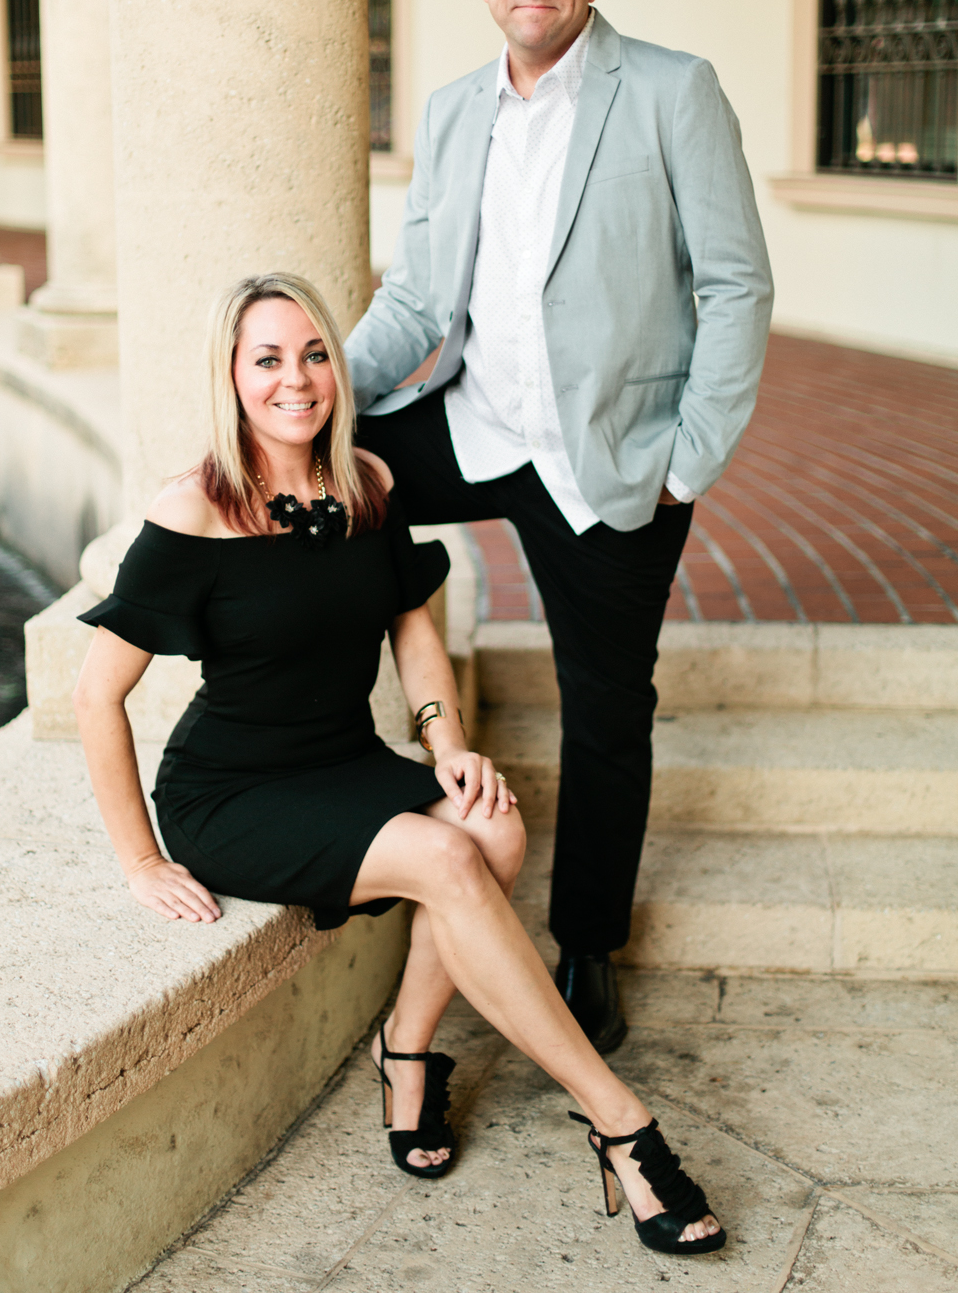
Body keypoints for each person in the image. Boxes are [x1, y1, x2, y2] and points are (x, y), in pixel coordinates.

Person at [73, 272, 726, 1258]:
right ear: (232, 377)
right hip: (234, 791)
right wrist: (139, 860)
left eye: (314, 354)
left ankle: (405, 1049)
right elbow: (95, 694)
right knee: (451, 860)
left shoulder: (368, 486)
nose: (297, 379)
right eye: (268, 359)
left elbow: (411, 630)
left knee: (493, 825)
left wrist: (449, 746)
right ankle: (621, 1124)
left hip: (340, 759)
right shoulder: (194, 511)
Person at [346, 0, 774, 1052]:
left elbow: (735, 284)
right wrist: (320, 400)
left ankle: (587, 942)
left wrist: (690, 460)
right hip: (482, 425)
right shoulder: (448, 113)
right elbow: (419, 298)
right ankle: (354, 733)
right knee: (332, 485)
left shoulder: (673, 93)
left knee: (605, 708)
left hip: (613, 463)